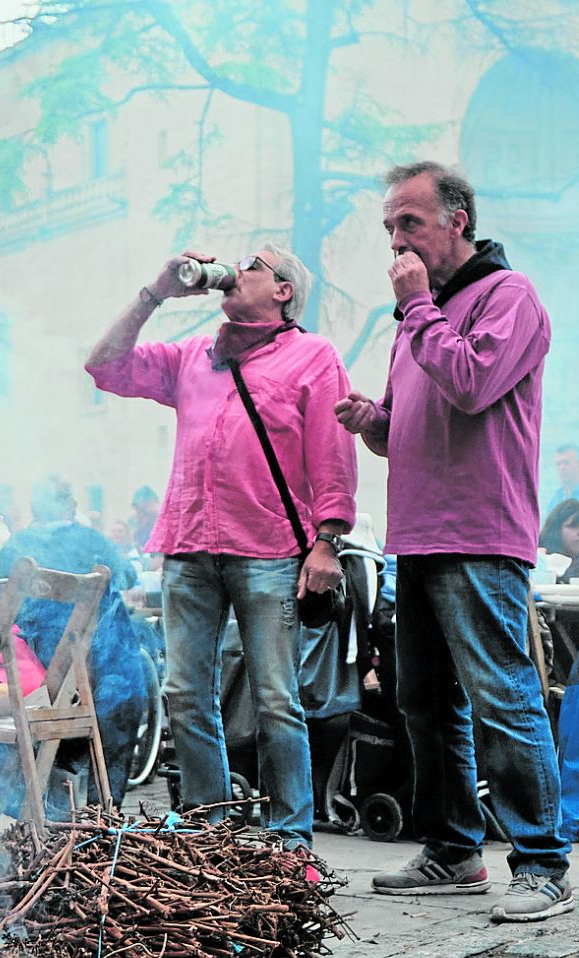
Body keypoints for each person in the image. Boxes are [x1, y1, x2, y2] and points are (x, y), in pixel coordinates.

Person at [334, 161, 570, 923]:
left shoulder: (510, 297)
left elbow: (471, 383)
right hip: (418, 533)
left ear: (457, 219)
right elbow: (405, 430)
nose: (397, 240)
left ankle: (541, 864)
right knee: (424, 704)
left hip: (480, 530)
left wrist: (415, 313)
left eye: (410, 222)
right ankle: (453, 850)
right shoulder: (418, 321)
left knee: (502, 696)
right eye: (389, 227)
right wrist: (374, 421)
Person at [85, 242, 356, 850]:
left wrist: (327, 543)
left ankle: (292, 842)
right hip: (188, 543)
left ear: (283, 290)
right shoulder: (193, 356)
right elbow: (104, 366)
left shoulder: (313, 356)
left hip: (268, 549)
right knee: (185, 694)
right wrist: (155, 293)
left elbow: (333, 458)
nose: (235, 271)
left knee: (276, 698)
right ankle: (211, 836)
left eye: (253, 266)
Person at [0, 476, 148, 803]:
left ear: (35, 509)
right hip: (97, 693)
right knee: (127, 676)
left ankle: (40, 805)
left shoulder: (15, 547)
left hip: (30, 687)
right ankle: (104, 813)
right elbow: (128, 575)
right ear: (72, 507)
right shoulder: (92, 540)